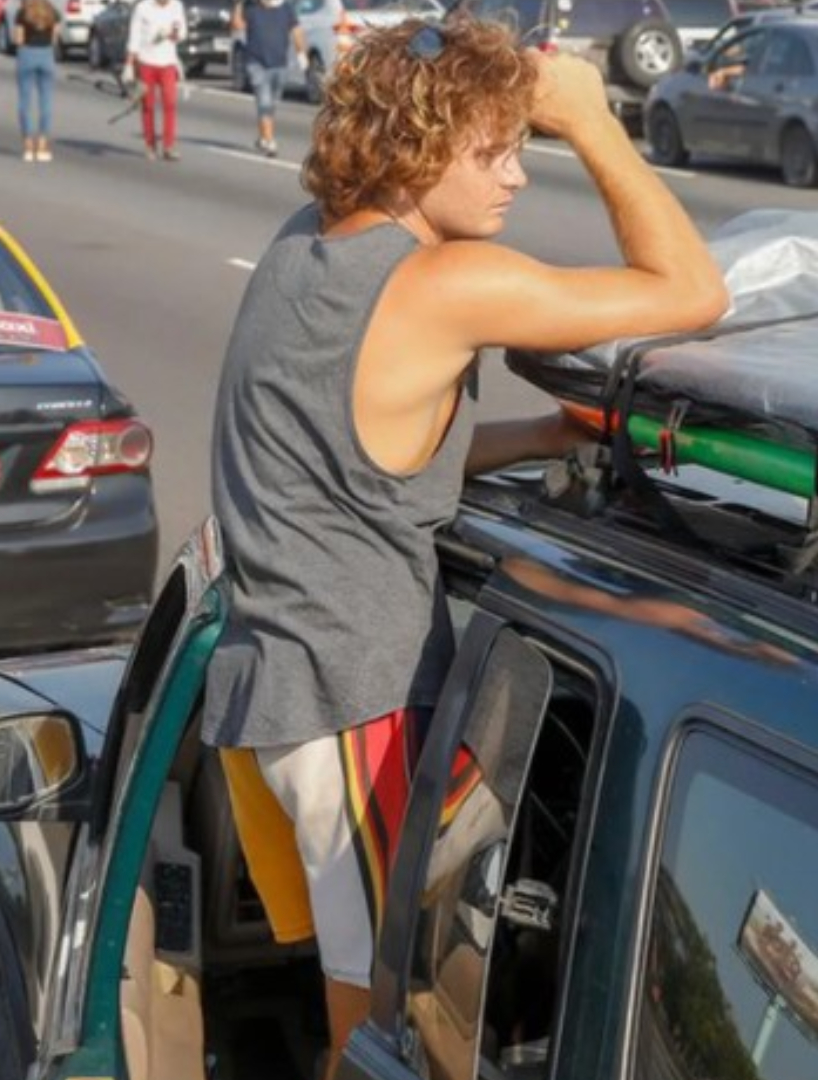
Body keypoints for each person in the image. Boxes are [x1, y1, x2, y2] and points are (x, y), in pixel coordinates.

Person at [201, 19, 728, 1080]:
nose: (516, 176)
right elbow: (692, 294)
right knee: (383, 1021)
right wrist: (590, 120)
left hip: (276, 694)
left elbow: (358, 454)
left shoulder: (308, 242)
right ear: (415, 145)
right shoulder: (443, 287)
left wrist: (534, 438)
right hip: (357, 706)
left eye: (523, 145)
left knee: (358, 992)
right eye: (493, 149)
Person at [232, 0, 307, 158]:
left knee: (272, 103)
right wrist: (238, 4)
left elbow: (297, 31)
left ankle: (263, 137)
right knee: (264, 101)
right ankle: (270, 141)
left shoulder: (286, 8)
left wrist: (301, 54)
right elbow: (237, 26)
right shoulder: (251, 8)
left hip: (279, 63)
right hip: (256, 62)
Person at [125, 0, 187, 161]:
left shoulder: (176, 6)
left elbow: (182, 32)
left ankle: (169, 145)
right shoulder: (143, 8)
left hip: (168, 62)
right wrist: (129, 64)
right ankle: (150, 144)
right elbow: (134, 37)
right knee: (148, 105)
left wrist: (173, 34)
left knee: (170, 103)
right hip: (147, 61)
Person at [13, 0, 61, 163]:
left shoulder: (23, 13)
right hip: (46, 54)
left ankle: (28, 145)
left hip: (27, 53)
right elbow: (55, 37)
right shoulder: (51, 12)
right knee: (46, 101)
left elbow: (18, 39)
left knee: (25, 101)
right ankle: (42, 145)